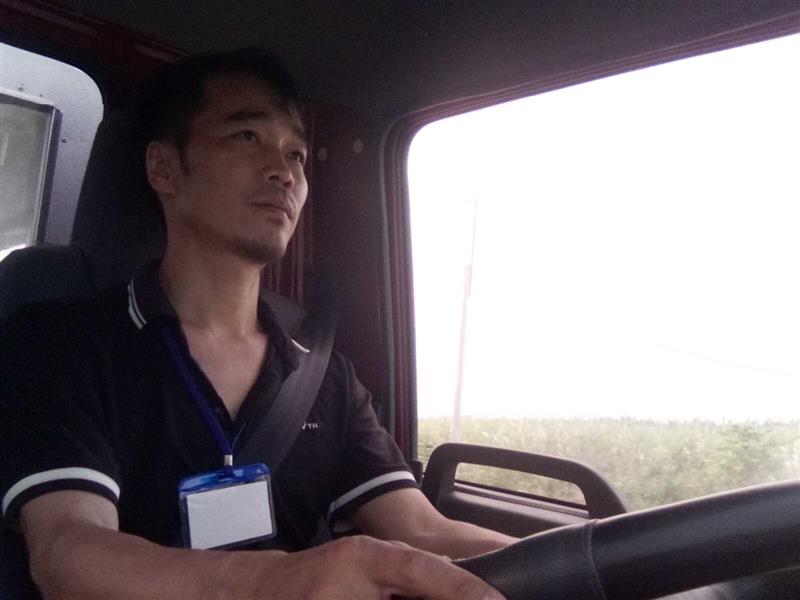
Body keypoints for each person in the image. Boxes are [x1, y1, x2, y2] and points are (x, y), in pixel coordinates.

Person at [0, 50, 514, 599]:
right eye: (247, 136)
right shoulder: (60, 342)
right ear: (164, 168)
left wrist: (574, 556)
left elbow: (422, 531)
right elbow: (67, 551)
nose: (284, 172)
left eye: (296, 154)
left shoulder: (323, 375)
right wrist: (272, 581)